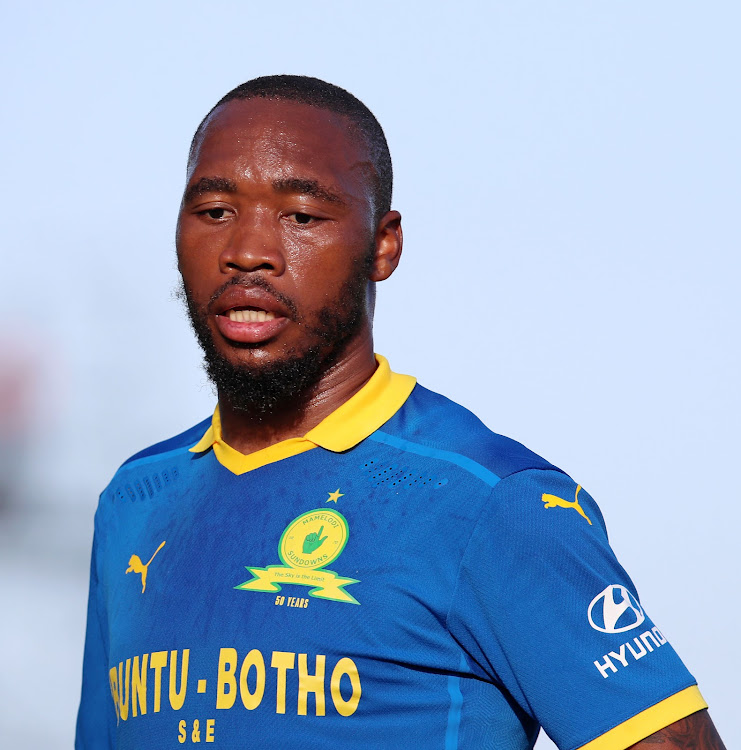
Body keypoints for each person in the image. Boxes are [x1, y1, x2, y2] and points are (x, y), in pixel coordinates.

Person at [75, 75, 726, 750]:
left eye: (300, 216)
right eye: (214, 211)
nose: (248, 252)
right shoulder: (135, 498)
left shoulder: (490, 504)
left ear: (382, 246)